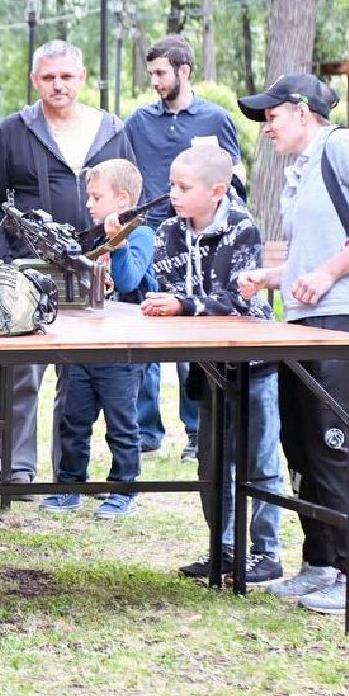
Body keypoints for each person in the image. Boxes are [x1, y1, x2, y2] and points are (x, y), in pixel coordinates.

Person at [236, 73, 349, 615]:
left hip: (346, 322)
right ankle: (319, 563)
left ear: (302, 110)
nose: (267, 128)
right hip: (304, 320)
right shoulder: (301, 168)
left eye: (272, 117)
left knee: (333, 447)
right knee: (301, 443)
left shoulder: (344, 147)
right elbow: (314, 253)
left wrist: (329, 272)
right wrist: (275, 277)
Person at [0, 41, 134, 484]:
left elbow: (129, 200)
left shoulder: (111, 132)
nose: (58, 85)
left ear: (82, 78)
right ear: (34, 81)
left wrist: (114, 253)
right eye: (48, 77)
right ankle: (18, 469)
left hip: (92, 271)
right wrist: (3, 267)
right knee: (22, 374)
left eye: (66, 76)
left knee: (78, 377)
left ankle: (68, 474)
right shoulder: (10, 133)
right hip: (27, 274)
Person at [140, 145, 286, 586]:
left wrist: (185, 305)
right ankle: (222, 548)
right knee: (212, 461)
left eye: (184, 188)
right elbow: (172, 290)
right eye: (172, 185)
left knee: (261, 461)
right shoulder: (167, 231)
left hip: (254, 360)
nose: (174, 194)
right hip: (206, 363)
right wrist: (178, 304)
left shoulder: (242, 228)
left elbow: (237, 298)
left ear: (217, 191)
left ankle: (266, 552)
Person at [126, 35, 244, 462]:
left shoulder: (215, 119)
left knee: (192, 338)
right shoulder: (138, 122)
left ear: (184, 71)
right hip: (148, 241)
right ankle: (145, 432)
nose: (155, 81)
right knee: (145, 337)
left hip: (198, 243)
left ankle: (197, 431)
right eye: (151, 73)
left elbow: (234, 182)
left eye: (161, 73)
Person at [39, 159, 153, 520]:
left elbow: (129, 281)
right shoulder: (94, 237)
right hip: (86, 346)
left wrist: (118, 246)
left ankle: (123, 489)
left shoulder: (141, 236)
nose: (88, 204)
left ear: (122, 200)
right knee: (73, 419)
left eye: (96, 197)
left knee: (121, 425)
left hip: (122, 350)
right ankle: (70, 485)